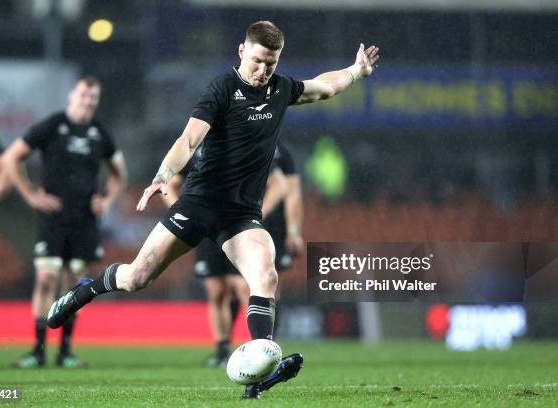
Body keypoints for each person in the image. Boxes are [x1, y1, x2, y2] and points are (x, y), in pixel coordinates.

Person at [47, 21, 379, 398]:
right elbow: (189, 139)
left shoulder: (280, 88)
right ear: (242, 52)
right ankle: (82, 293)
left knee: (266, 276)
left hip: (241, 216)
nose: (263, 71)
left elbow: (324, 87)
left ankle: (258, 377)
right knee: (136, 277)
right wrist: (162, 174)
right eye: (257, 62)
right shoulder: (222, 89)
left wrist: (356, 71)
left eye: (270, 64)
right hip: (199, 204)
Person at [3, 76, 128, 368]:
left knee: (74, 285)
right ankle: (37, 350)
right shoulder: (52, 125)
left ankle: (65, 352)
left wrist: (107, 201)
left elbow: (119, 173)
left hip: (84, 219)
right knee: (46, 278)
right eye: (84, 94)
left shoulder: (99, 133)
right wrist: (32, 195)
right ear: (72, 95)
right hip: (53, 217)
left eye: (93, 97)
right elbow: (12, 158)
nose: (88, 101)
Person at [160, 146, 288, 368]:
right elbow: (170, 185)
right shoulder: (197, 150)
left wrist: (260, 212)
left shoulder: (243, 143)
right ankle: (221, 350)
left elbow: (278, 183)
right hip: (206, 226)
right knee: (216, 291)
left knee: (244, 288)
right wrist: (184, 214)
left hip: (237, 226)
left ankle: (260, 348)